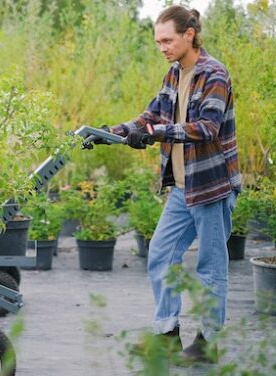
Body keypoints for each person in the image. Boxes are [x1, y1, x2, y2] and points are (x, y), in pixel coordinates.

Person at [97, 5, 240, 362]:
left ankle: (208, 343)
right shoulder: (174, 74)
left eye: (167, 40)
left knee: (210, 266)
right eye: (158, 41)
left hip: (211, 185)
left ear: (189, 34)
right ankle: (167, 335)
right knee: (160, 254)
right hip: (181, 187)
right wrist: (109, 133)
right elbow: (151, 116)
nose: (162, 47)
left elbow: (207, 128)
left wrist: (156, 134)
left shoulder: (214, 74)